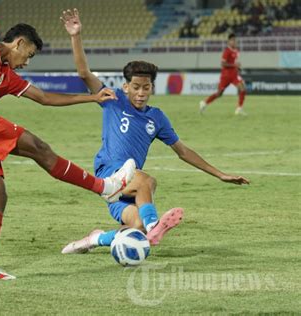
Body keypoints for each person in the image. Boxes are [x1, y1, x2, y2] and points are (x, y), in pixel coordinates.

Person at [0, 23, 136, 280]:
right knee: (38, 147)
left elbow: (44, 98)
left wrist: (92, 98)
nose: (26, 62)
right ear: (19, 43)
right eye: (29, 55)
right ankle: (104, 188)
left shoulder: (7, 76)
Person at [60, 9, 250, 255]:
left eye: (146, 87)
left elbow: (182, 151)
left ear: (152, 87)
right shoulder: (112, 99)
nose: (141, 93)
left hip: (130, 186)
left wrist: (219, 174)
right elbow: (85, 73)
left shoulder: (156, 117)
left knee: (135, 230)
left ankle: (94, 239)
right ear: (126, 86)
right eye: (136, 87)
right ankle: (155, 225)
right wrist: (76, 35)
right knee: (147, 181)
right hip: (109, 174)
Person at [199, 33, 247, 116]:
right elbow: (223, 64)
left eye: (235, 40)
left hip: (234, 75)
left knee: (242, 88)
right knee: (219, 93)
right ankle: (204, 103)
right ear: (229, 41)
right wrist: (235, 65)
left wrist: (237, 67)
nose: (234, 42)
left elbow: (233, 62)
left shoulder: (236, 51)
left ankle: (239, 108)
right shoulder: (226, 51)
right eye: (232, 40)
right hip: (226, 76)